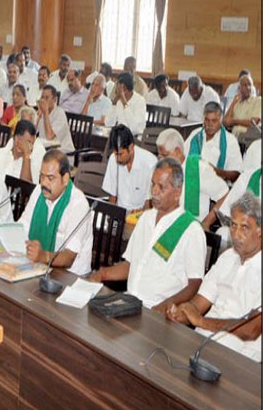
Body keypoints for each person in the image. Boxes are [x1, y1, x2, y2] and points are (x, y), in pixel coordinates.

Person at [89, 158, 206, 313]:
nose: (154, 192)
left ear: (177, 193)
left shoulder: (191, 229)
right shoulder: (145, 218)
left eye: (161, 187)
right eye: (153, 184)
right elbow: (130, 264)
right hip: (129, 302)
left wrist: (165, 306)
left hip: (157, 310)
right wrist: (102, 274)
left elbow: (195, 284)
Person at [167, 193, 261, 362]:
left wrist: (200, 321)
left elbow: (251, 330)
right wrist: (181, 312)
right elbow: (199, 303)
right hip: (200, 346)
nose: (236, 234)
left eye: (244, 227)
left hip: (239, 361)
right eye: (233, 225)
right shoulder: (227, 258)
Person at [18, 150, 93, 276]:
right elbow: (22, 227)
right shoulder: (38, 192)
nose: (44, 183)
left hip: (71, 276)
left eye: (50, 178)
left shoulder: (78, 204)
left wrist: (42, 256)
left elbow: (69, 257)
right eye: (41, 176)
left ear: (65, 179)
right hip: (39, 268)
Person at [156, 128, 228, 230]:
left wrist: (206, 222)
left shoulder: (199, 169)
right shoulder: (162, 169)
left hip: (192, 229)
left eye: (165, 155)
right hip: (165, 225)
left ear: (177, 151)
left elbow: (224, 194)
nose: (161, 159)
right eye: (159, 156)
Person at [184, 101, 243, 183]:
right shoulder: (195, 136)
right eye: (207, 120)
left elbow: (236, 174)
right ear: (203, 119)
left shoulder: (230, 140)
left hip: (217, 188)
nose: (209, 124)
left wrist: (215, 171)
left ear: (221, 121)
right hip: (192, 183)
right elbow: (182, 159)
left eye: (214, 121)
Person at [101, 124, 157, 211]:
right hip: (119, 213)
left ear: (131, 148)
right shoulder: (113, 159)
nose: (117, 159)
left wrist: (137, 218)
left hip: (139, 216)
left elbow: (149, 203)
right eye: (115, 154)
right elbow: (112, 196)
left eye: (120, 154)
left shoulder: (150, 163)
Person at [0, 120, 45, 184]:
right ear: (17, 139)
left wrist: (26, 156)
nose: (30, 147)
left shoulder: (31, 163)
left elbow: (26, 190)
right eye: (28, 142)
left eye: (32, 144)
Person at [36, 84, 75, 153]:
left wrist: (45, 113)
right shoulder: (41, 112)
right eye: (42, 97)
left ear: (54, 100)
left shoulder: (60, 113)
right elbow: (32, 133)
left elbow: (49, 136)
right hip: (45, 149)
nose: (43, 101)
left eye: (46, 98)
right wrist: (38, 117)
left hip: (63, 153)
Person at [223, 73, 262, 139]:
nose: (248, 87)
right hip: (234, 138)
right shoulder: (237, 103)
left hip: (249, 139)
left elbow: (254, 123)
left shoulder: (257, 101)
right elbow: (225, 122)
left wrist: (234, 121)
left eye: (250, 85)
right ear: (239, 88)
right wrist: (233, 102)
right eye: (244, 85)